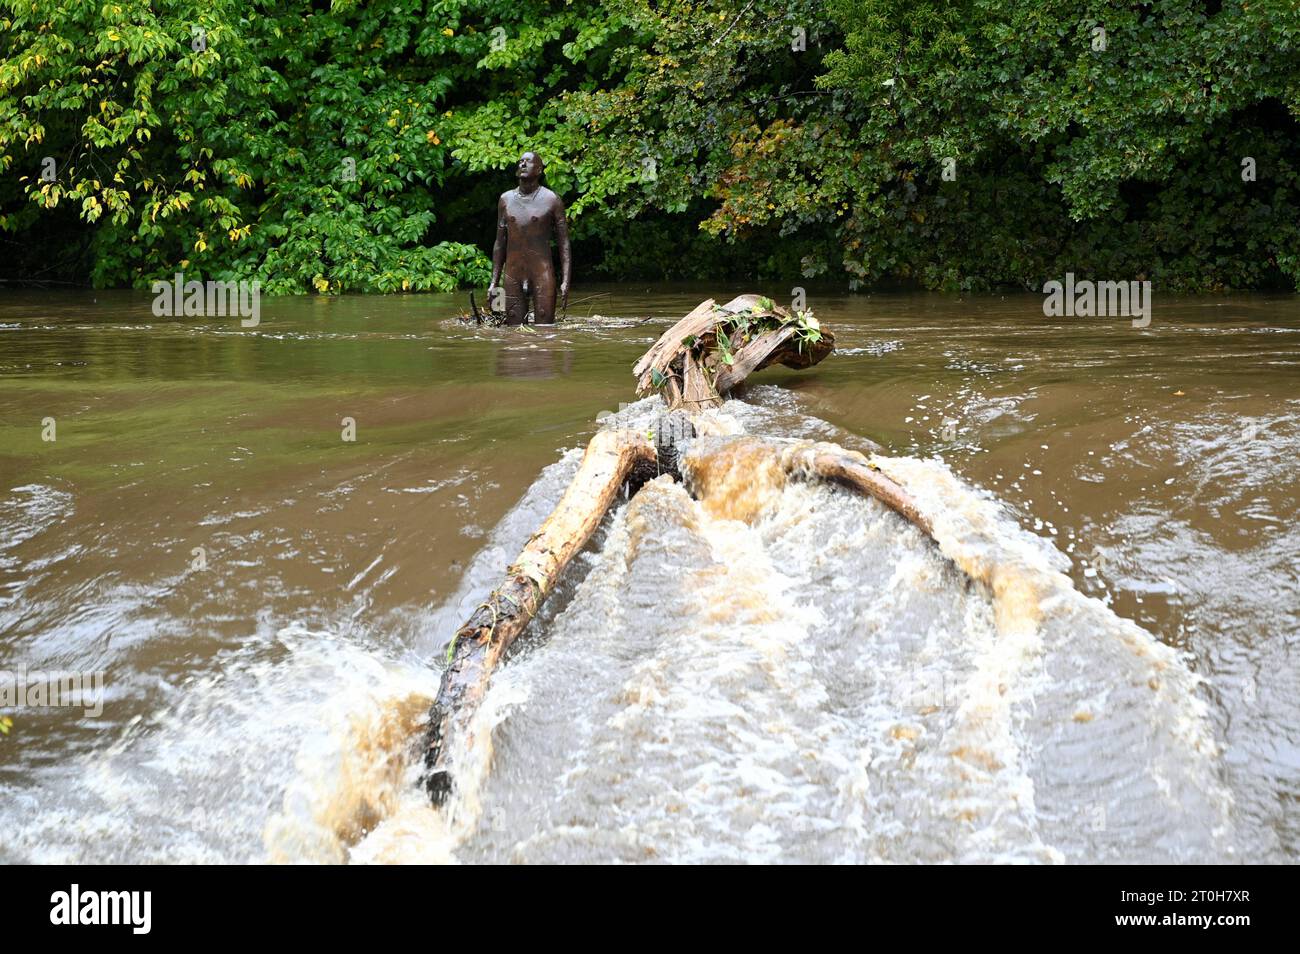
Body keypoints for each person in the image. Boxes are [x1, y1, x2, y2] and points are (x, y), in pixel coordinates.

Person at [487, 152, 571, 325]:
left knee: (546, 330)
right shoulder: (505, 199)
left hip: (542, 274)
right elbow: (499, 243)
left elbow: (564, 243)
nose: (522, 164)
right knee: (511, 329)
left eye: (528, 162)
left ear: (539, 169)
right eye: (520, 161)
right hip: (512, 274)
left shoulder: (552, 200)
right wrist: (493, 282)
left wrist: (565, 281)